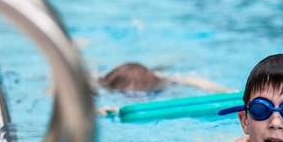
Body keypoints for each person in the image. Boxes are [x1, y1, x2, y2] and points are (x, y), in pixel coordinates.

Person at [95, 62, 234, 115]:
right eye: (128, 95)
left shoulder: (165, 81)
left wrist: (224, 90)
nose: (136, 99)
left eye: (143, 94)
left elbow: (194, 81)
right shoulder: (101, 83)